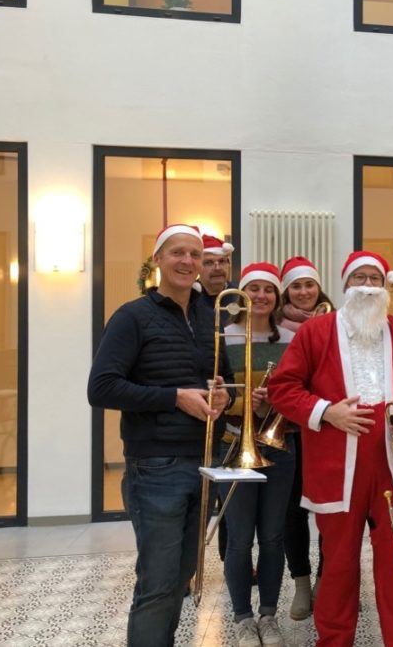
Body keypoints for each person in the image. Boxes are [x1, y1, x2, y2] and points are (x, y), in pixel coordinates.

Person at [267, 250, 393, 646]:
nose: (366, 286)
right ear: (345, 285)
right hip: (335, 467)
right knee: (339, 566)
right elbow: (283, 389)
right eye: (358, 278)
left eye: (374, 279)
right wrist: (327, 412)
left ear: (385, 287)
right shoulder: (316, 331)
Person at [87, 224, 232, 647]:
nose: (188, 262)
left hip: (203, 461)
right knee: (157, 586)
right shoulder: (132, 316)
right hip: (155, 469)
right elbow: (101, 388)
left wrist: (220, 395)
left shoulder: (210, 316)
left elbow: (215, 379)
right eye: (177, 254)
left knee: (179, 582)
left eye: (196, 255)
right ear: (157, 262)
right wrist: (174, 398)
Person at [219, 262, 297, 647]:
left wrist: (276, 401)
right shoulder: (224, 337)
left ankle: (268, 615)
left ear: (277, 296)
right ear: (242, 296)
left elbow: (303, 387)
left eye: (269, 290)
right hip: (234, 444)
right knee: (238, 539)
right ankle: (242, 618)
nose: (261, 296)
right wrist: (243, 400)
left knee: (272, 536)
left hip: (279, 446)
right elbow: (216, 391)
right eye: (254, 289)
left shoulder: (293, 336)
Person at [276, 255, 333, 620]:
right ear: (286, 292)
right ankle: (300, 583)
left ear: (318, 287)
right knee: (292, 513)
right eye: (295, 286)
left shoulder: (335, 323)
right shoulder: (274, 328)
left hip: (327, 430)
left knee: (330, 511)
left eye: (308, 284)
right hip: (289, 433)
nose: (303, 292)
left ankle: (327, 581)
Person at [196, 234, 234, 299]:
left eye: (222, 261)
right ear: (198, 268)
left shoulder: (240, 295)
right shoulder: (187, 295)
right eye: (209, 263)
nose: (217, 268)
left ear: (229, 265)